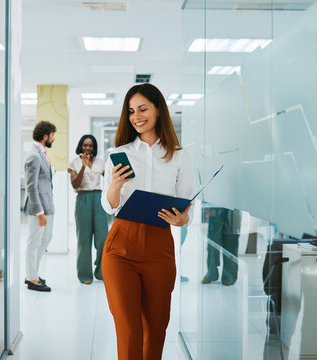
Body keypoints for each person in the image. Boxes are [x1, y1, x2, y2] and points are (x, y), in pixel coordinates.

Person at [101, 83, 195, 360]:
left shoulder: (179, 156)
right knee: (129, 330)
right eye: (131, 111)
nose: (136, 116)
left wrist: (182, 219)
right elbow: (109, 205)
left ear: (158, 111)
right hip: (120, 247)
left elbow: (186, 204)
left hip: (159, 246)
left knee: (155, 330)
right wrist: (116, 185)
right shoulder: (119, 154)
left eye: (142, 109)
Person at [68, 135, 108, 284]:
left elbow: (109, 179)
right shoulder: (74, 162)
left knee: (103, 238)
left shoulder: (100, 162)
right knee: (84, 239)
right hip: (83, 199)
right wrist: (83, 166)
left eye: (90, 146)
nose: (88, 148)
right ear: (81, 146)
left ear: (94, 147)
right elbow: (75, 184)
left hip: (99, 199)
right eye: (85, 145)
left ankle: (101, 271)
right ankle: (85, 275)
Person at [23, 120, 56, 292]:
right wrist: (39, 212)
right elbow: (31, 186)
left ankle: (32, 273)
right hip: (39, 208)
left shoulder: (41, 152)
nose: (54, 138)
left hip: (47, 205)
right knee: (34, 242)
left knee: (45, 239)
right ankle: (31, 278)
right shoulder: (34, 155)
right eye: (52, 135)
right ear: (45, 136)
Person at [201, 206, 241, 286]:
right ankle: (211, 273)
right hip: (215, 204)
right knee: (212, 242)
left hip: (234, 204)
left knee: (232, 242)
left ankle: (229, 276)